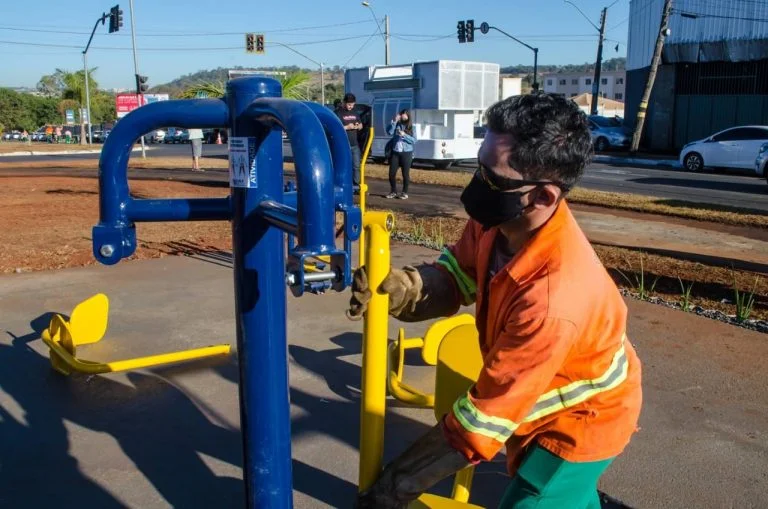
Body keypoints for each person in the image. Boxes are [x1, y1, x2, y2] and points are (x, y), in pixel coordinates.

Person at [348, 94, 642, 509]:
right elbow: (460, 273)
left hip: (581, 421)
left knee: (533, 500)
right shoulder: (499, 219)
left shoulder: (554, 300)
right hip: (533, 395)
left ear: (542, 197)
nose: (477, 183)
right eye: (479, 166)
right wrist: (408, 288)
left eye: (493, 178)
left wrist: (393, 488)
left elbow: (481, 421)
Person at [385, 109, 417, 200]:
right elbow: (390, 132)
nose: (403, 116)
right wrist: (394, 121)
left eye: (405, 114)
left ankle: (404, 192)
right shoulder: (396, 124)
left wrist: (404, 135)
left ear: (408, 116)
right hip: (395, 152)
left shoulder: (412, 127)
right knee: (391, 173)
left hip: (407, 153)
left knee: (405, 174)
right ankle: (393, 191)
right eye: (402, 114)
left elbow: (414, 140)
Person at [336, 93, 363, 187]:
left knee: (356, 166)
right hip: (343, 144)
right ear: (344, 102)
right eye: (349, 104)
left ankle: (356, 184)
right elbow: (335, 127)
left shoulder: (355, 113)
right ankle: (343, 184)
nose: (351, 106)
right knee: (344, 165)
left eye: (352, 104)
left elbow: (361, 124)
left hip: (354, 144)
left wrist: (359, 126)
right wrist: (347, 127)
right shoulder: (338, 112)